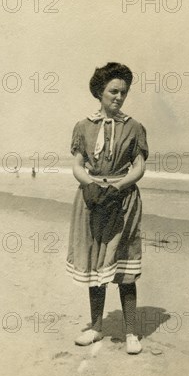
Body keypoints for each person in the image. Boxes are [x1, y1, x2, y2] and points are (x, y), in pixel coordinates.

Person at [66, 62, 149, 354]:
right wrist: (89, 184)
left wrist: (118, 187)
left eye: (123, 92)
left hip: (123, 200)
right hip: (92, 199)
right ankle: (97, 327)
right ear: (100, 92)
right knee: (96, 264)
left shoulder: (134, 127)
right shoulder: (83, 126)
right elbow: (77, 165)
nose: (119, 97)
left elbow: (139, 167)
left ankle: (130, 333)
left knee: (125, 267)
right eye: (113, 91)